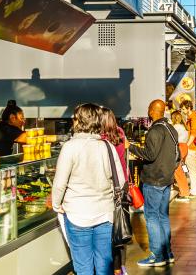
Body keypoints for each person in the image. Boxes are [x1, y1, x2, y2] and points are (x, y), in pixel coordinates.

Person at [51, 103, 124, 275]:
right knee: (104, 262)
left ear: (79, 121)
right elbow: (120, 181)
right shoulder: (108, 147)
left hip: (77, 214)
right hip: (105, 213)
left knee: (83, 265)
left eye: (75, 117)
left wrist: (56, 204)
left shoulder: (70, 147)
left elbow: (59, 183)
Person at [128, 99, 179, 268]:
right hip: (166, 179)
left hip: (154, 180)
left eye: (149, 108)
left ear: (152, 111)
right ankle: (167, 252)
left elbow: (150, 155)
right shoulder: (171, 129)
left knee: (151, 218)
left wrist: (131, 147)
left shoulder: (155, 131)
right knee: (163, 216)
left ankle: (156, 256)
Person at [98, 107, 128, 275]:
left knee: (108, 229)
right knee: (118, 229)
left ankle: (109, 267)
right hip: (121, 185)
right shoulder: (120, 133)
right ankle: (119, 267)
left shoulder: (101, 139)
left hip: (108, 186)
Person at [181, 99, 196, 199]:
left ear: (188, 108)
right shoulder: (191, 117)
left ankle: (194, 191)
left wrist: (186, 145)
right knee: (191, 169)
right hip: (190, 147)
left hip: (190, 147)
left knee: (192, 170)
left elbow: (193, 133)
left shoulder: (193, 118)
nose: (182, 110)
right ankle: (193, 189)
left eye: (183, 109)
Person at [169, 111, 191, 202]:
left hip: (179, 147)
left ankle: (184, 193)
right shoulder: (183, 127)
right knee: (182, 167)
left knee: (177, 170)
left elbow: (171, 138)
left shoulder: (175, 127)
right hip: (185, 147)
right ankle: (186, 186)